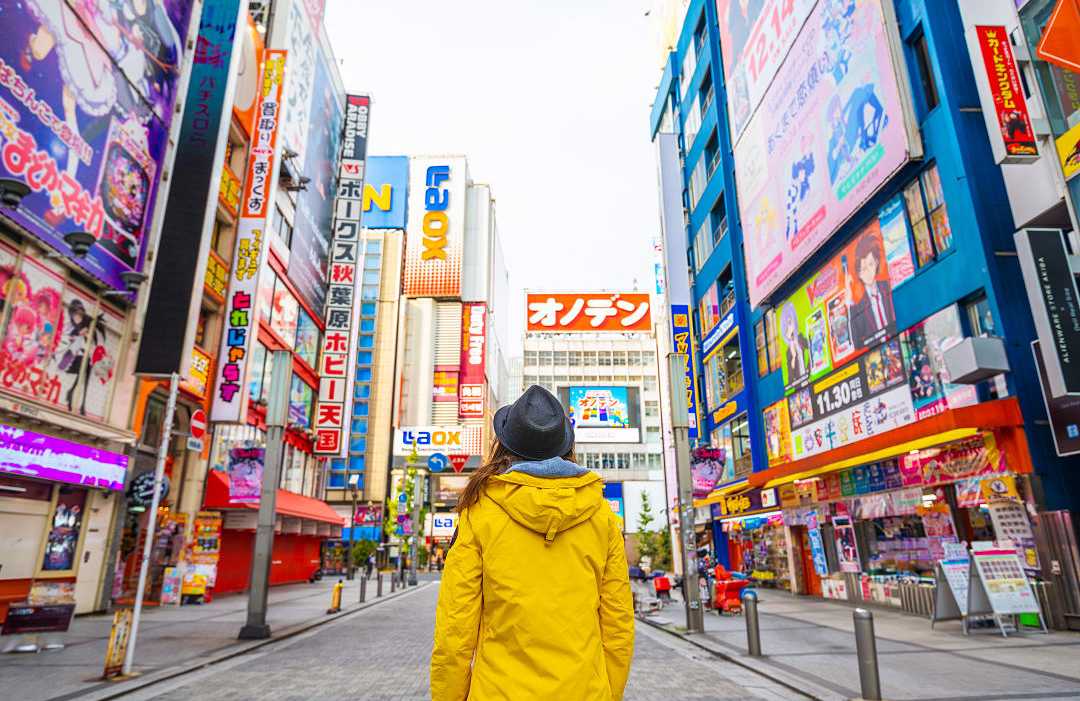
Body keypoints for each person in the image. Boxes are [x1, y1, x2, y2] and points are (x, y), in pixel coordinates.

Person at [431, 386, 634, 701]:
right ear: (565, 445)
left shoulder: (481, 512)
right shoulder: (601, 516)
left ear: (506, 448)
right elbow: (618, 624)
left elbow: (455, 630)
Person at [845, 232, 894, 348]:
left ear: (876, 263)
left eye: (870, 264)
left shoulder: (888, 286)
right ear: (858, 274)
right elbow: (856, 343)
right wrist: (849, 301)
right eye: (863, 269)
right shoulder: (860, 307)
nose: (868, 272)